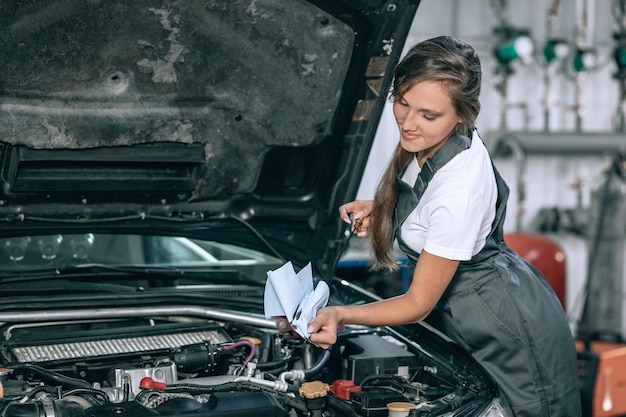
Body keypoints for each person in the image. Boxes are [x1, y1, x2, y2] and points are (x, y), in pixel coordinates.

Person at [307, 36, 581, 417]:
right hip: (472, 314)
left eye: (428, 115)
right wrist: (385, 210)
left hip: (508, 331)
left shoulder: (460, 188)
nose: (408, 122)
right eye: (402, 103)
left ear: (465, 114)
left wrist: (340, 313)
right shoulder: (439, 142)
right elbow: (427, 199)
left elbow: (417, 304)